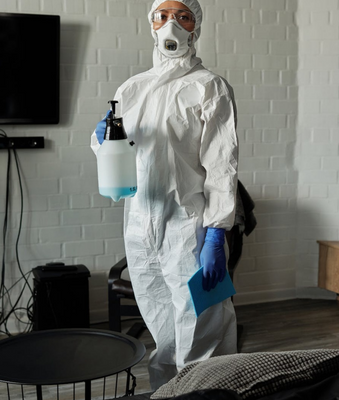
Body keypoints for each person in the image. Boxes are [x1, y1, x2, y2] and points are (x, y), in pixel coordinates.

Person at [91, 0, 238, 390]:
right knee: (161, 325)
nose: (171, 24)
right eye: (162, 15)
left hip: (188, 226)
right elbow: (110, 150)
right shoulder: (131, 88)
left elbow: (222, 166)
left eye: (182, 16)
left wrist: (216, 234)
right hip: (140, 223)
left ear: (196, 26)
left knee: (202, 324)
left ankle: (205, 394)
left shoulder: (209, 87)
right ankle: (165, 393)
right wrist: (101, 136)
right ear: (151, 24)